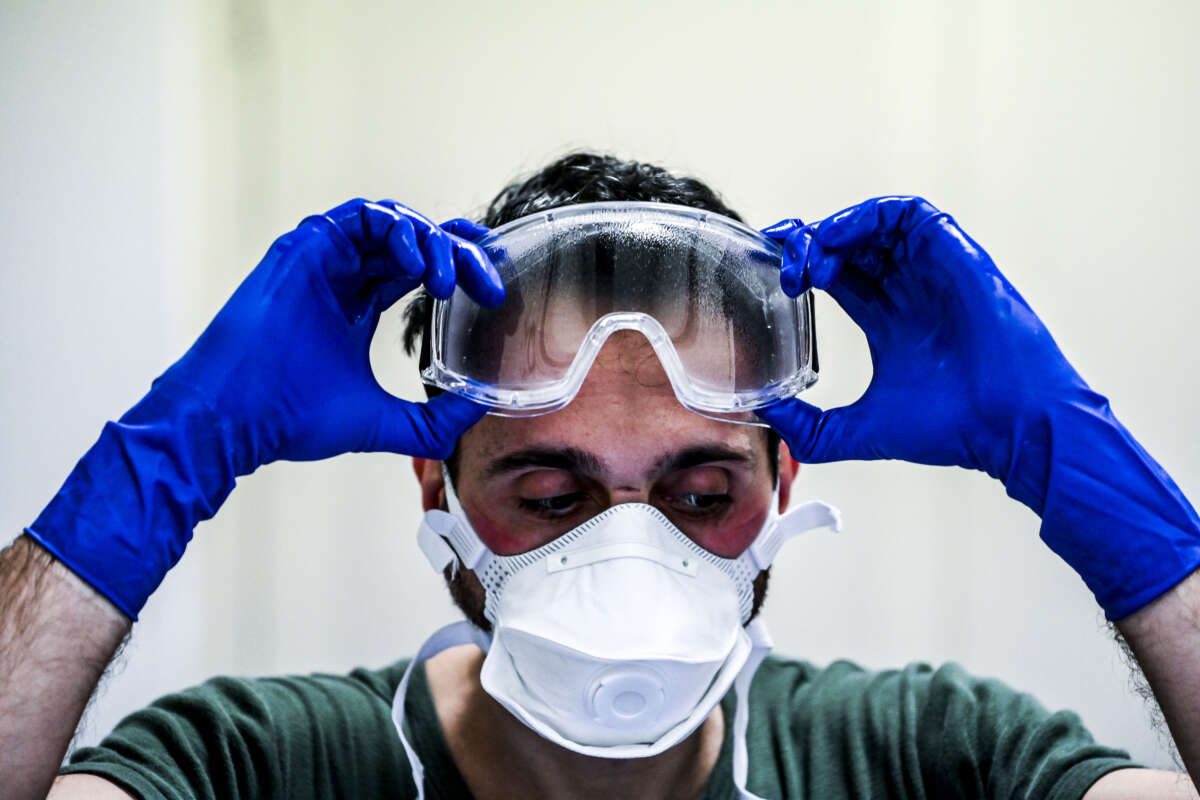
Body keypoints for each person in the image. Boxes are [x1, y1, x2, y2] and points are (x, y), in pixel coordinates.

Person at [1, 153, 1198, 800]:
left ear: (783, 483)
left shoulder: (929, 756)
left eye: (701, 493)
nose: (629, 552)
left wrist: (1077, 463)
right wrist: (165, 460)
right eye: (549, 494)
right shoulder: (254, 764)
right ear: (437, 489)